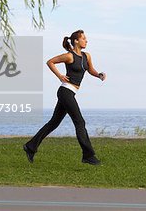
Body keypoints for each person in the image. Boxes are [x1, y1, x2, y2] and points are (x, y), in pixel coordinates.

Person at [23, 29, 106, 165]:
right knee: (80, 122)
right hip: (65, 92)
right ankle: (88, 155)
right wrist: (60, 76)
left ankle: (30, 147)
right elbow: (50, 62)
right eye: (83, 38)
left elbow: (90, 69)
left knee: (53, 123)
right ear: (76, 41)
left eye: (86, 38)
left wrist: (99, 75)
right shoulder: (69, 56)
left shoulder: (87, 56)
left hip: (70, 93)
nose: (86, 40)